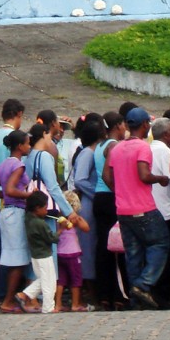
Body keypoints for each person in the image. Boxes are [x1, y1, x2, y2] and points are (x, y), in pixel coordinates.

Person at [102, 106, 170, 309]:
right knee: (160, 243)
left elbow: (106, 176)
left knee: (133, 254)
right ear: (145, 125)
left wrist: (120, 190)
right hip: (144, 208)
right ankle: (143, 284)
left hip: (123, 210)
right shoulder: (142, 147)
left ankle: (135, 299)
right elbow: (143, 175)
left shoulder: (118, 147)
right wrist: (161, 178)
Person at [0, 98, 25, 298]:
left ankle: (3, 291)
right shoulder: (13, 137)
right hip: (8, 203)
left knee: (4, 248)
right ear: (18, 114)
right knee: (11, 251)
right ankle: (6, 293)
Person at [0, 129, 32, 313]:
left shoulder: (3, 164)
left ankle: (8, 297)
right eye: (27, 143)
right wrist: (29, 195)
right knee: (18, 259)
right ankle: (8, 300)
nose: (29, 146)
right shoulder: (18, 165)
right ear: (19, 146)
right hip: (16, 213)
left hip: (5, 212)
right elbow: (10, 189)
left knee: (9, 257)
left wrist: (8, 197)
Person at [148, 117, 170, 309]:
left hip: (154, 207)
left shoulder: (149, 149)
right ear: (166, 134)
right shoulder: (163, 151)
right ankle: (163, 293)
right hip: (167, 210)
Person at [92, 111, 126, 309]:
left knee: (103, 247)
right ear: (118, 126)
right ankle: (116, 294)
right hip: (109, 197)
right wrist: (119, 194)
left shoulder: (100, 145)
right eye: (123, 125)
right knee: (115, 248)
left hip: (99, 197)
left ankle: (103, 293)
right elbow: (108, 175)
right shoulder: (113, 145)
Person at [18, 190, 72, 314]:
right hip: (44, 255)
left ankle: (24, 294)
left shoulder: (28, 218)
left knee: (43, 279)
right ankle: (48, 307)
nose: (46, 211)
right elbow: (52, 238)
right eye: (45, 208)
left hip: (35, 255)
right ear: (37, 208)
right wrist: (61, 229)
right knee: (49, 283)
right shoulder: (40, 224)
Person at [70, 119, 103, 294]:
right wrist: (97, 193)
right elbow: (80, 179)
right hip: (89, 203)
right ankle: (88, 286)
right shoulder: (88, 154)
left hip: (91, 202)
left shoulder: (92, 152)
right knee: (88, 246)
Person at [57, 190, 90, 311]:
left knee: (61, 280)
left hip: (60, 253)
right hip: (73, 253)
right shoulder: (74, 219)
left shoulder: (58, 219)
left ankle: (58, 304)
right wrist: (78, 219)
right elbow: (87, 228)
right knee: (76, 279)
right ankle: (75, 304)